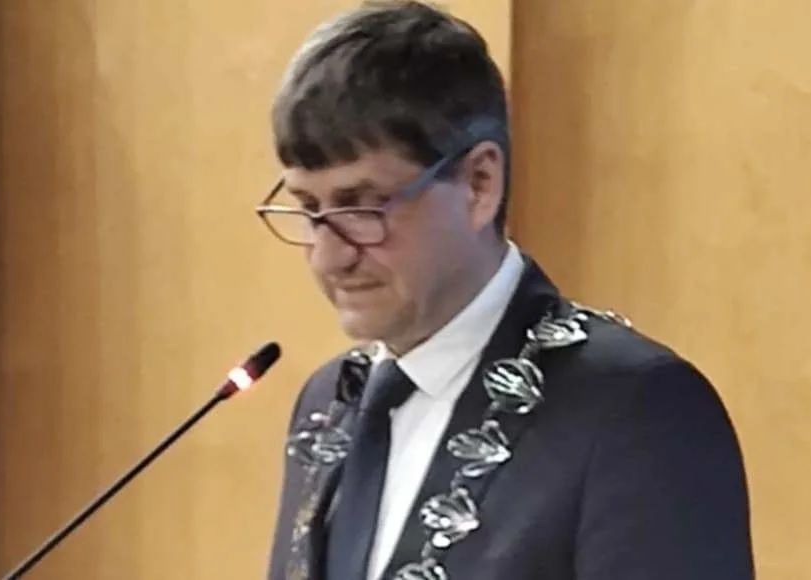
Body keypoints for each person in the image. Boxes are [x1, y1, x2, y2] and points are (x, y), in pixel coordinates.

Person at [256, 2, 754, 579]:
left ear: (479, 184)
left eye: (361, 208)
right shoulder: (329, 402)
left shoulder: (636, 411)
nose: (328, 257)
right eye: (308, 209)